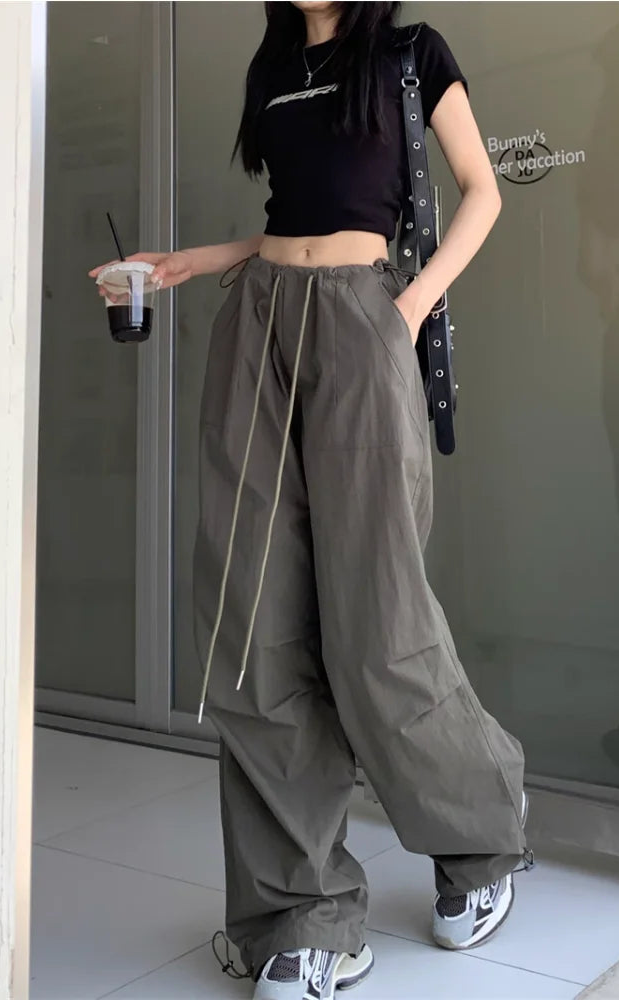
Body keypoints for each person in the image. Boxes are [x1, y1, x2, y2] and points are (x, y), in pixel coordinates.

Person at [91, 3, 530, 997]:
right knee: (253, 624)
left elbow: (483, 193)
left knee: (378, 622)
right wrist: (193, 262)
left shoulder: (410, 55)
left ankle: (481, 838)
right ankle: (304, 908)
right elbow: (293, 220)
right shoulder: (275, 66)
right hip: (261, 325)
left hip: (363, 322)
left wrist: (403, 310)